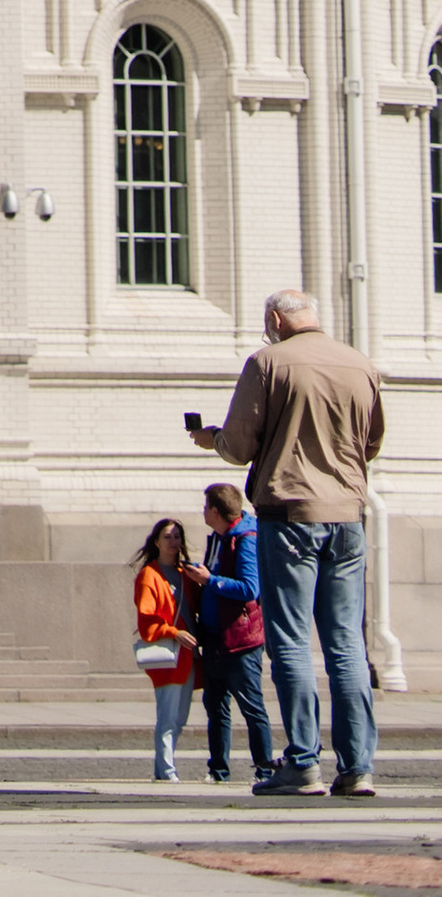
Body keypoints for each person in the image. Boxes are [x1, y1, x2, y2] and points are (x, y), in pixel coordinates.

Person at [192, 286, 384, 797]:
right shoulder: (358, 363)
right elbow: (373, 442)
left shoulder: (267, 362)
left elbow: (239, 446)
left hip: (289, 513)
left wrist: (212, 439)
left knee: (292, 641)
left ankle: (302, 762)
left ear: (275, 319)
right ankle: (358, 765)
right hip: (347, 516)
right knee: (346, 644)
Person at [196, 482, 274, 788]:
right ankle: (218, 769)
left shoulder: (245, 538)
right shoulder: (219, 537)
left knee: (252, 706)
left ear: (215, 510)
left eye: (205, 507)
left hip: (240, 639)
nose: (203, 511)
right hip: (214, 636)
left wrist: (210, 580)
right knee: (215, 707)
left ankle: (265, 769)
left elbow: (249, 589)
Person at [135, 518, 198, 783]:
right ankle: (167, 770)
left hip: (188, 654)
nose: (173, 542)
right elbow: (146, 618)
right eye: (167, 537)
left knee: (180, 716)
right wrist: (174, 632)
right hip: (167, 652)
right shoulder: (149, 575)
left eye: (177, 537)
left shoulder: (186, 573)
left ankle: (163, 768)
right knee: (168, 715)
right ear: (156, 541)